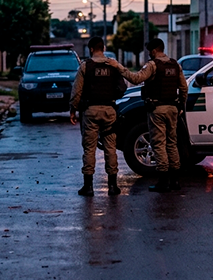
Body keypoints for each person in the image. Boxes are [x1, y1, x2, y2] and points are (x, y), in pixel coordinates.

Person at [107, 38, 187, 192]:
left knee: (158, 144)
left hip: (157, 110)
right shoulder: (175, 65)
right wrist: (181, 106)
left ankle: (163, 182)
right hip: (173, 109)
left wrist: (118, 67)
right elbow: (183, 87)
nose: (149, 54)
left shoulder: (152, 65)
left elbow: (136, 79)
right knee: (172, 143)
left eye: (150, 51)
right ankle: (175, 181)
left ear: (154, 50)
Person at [70, 37, 127, 197]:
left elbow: (76, 92)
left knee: (89, 148)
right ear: (103, 48)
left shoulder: (85, 66)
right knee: (110, 147)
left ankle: (88, 187)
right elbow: (123, 88)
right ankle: (113, 186)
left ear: (90, 49)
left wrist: (73, 110)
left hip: (90, 111)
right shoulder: (113, 65)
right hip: (109, 110)